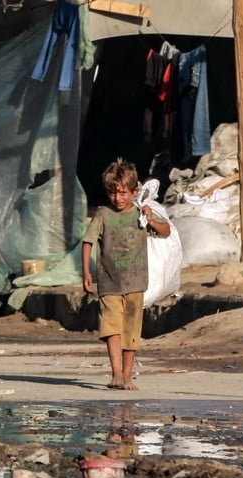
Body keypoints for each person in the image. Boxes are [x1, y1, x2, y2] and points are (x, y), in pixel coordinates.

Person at [81, 158, 170, 390]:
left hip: (135, 283)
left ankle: (128, 375)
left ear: (134, 191)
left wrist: (150, 217)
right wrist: (86, 273)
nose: (118, 198)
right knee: (112, 328)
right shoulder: (103, 214)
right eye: (113, 193)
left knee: (131, 331)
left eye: (123, 193)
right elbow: (88, 242)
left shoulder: (140, 214)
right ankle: (116, 374)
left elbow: (165, 231)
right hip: (109, 282)